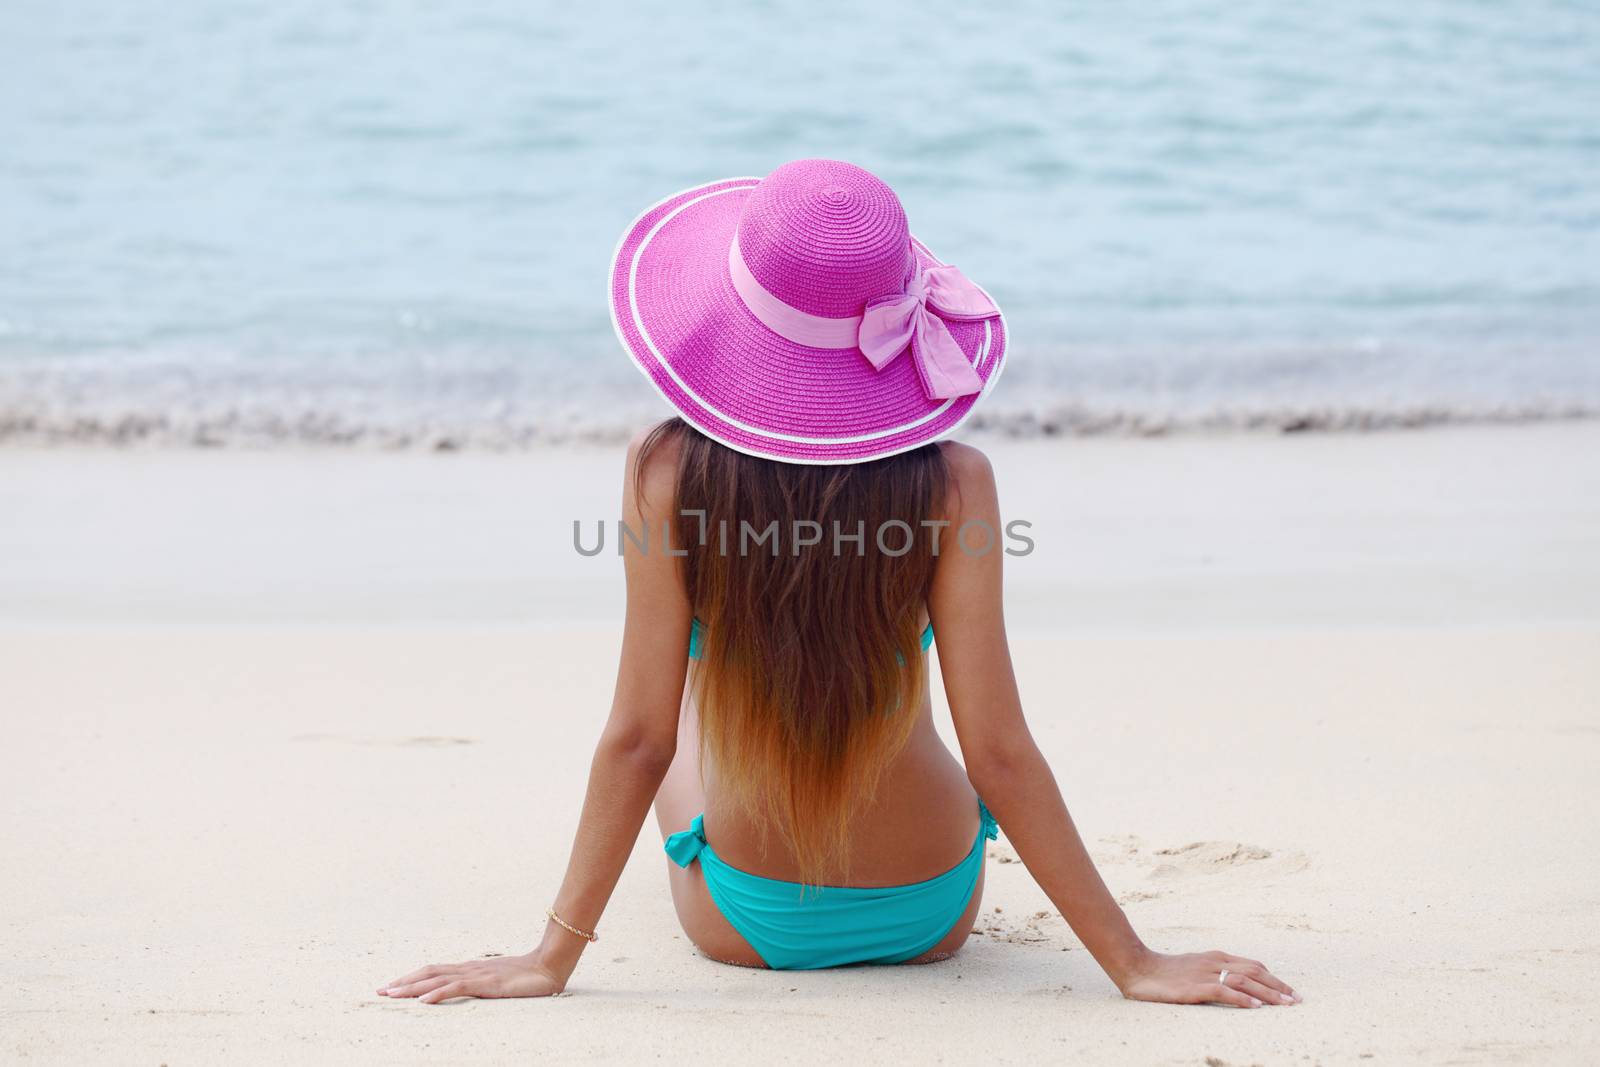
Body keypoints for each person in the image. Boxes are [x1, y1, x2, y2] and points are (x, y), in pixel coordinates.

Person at [378, 160, 1298, 1008]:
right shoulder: (956, 484)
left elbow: (637, 741)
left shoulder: (664, 471)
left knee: (694, 687)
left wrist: (551, 955)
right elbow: (1001, 753)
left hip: (747, 913)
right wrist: (1132, 962)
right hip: (932, 906)